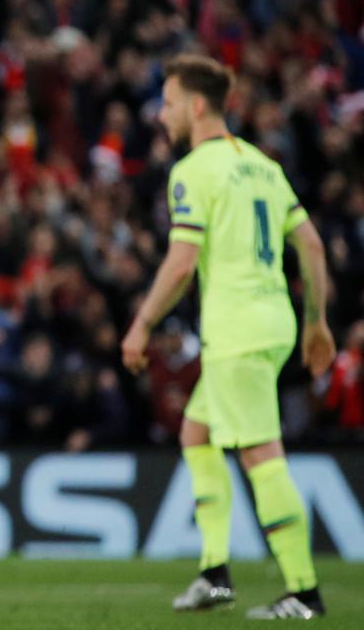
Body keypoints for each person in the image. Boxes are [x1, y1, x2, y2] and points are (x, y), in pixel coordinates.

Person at [121, 54, 335, 620]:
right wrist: (316, 320)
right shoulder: (263, 165)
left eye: (168, 104)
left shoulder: (194, 169)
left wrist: (142, 323)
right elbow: (311, 245)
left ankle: (304, 591)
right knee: (197, 432)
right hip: (274, 321)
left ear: (196, 106)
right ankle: (215, 573)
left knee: (261, 452)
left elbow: (182, 261)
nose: (162, 116)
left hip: (236, 328)